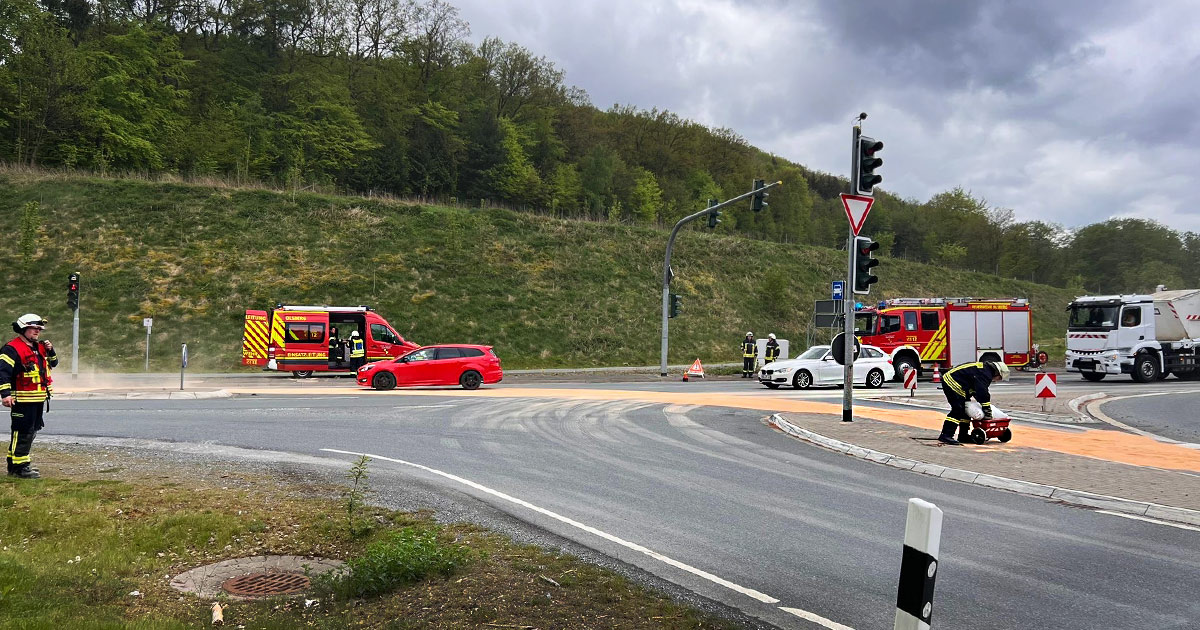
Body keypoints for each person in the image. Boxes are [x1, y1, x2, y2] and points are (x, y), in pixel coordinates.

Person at [1, 314, 58, 479]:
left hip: (38, 398)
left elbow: (53, 363)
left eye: (39, 329)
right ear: (23, 328)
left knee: (29, 432)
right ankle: (21, 467)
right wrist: (5, 395)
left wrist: (51, 350)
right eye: (35, 328)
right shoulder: (11, 349)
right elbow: (3, 373)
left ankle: (14, 464)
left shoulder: (39, 347)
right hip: (22, 399)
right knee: (22, 432)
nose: (38, 331)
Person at [937, 360, 1009, 445]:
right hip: (952, 382)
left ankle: (963, 436)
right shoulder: (985, 374)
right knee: (958, 409)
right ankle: (946, 435)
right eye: (999, 378)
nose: (998, 380)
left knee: (965, 410)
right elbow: (982, 392)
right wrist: (986, 409)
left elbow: (977, 390)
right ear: (997, 373)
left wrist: (982, 402)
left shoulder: (985, 370)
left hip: (961, 385)